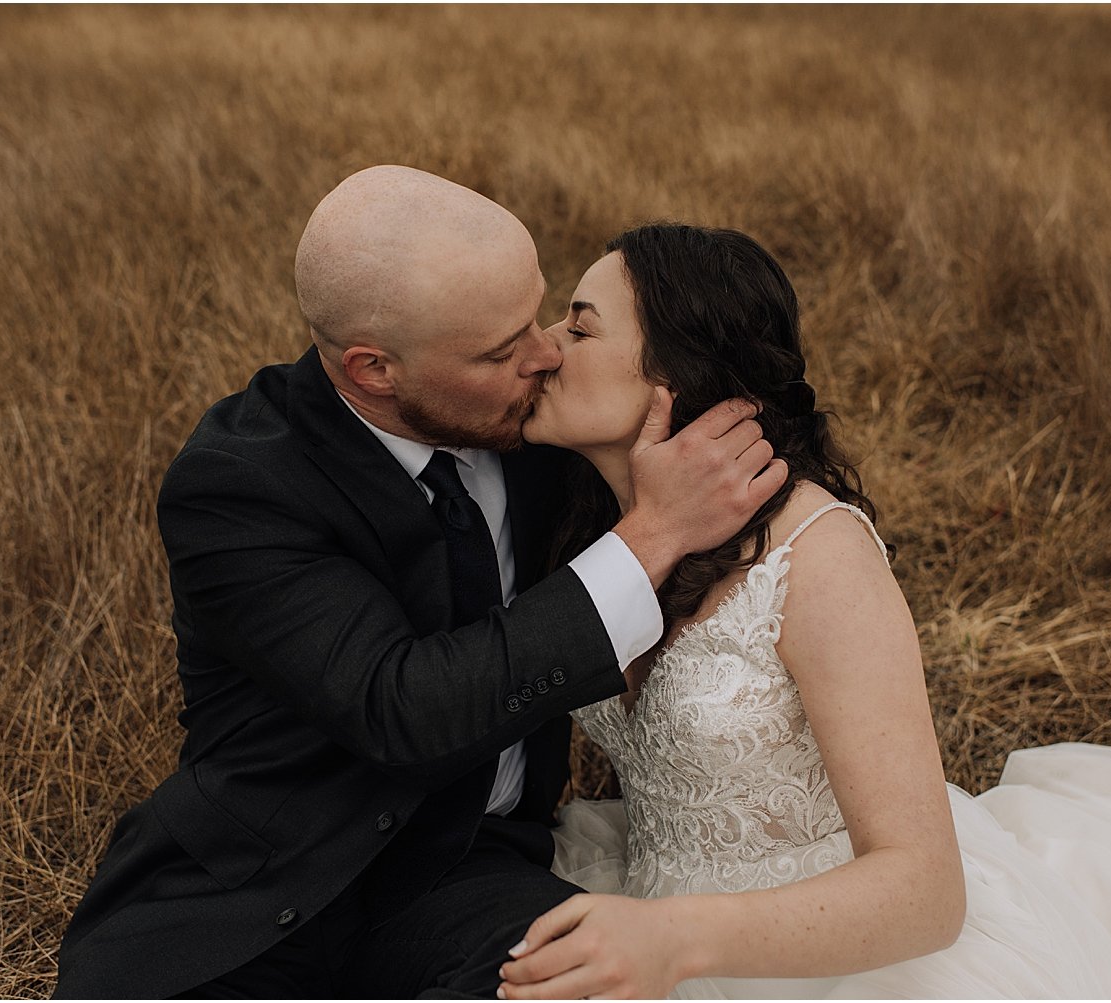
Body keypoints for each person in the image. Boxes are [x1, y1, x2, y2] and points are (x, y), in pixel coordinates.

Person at [501, 223, 1111, 1000]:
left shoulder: (815, 553)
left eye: (580, 324)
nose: (545, 346)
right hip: (646, 910)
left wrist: (679, 938)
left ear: (676, 370)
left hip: (852, 954)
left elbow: (925, 892)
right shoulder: (588, 534)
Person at [52, 172, 788, 998]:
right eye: (500, 351)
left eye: (537, 316)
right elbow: (403, 707)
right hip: (260, 880)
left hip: (472, 872)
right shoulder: (240, 480)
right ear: (375, 370)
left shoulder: (546, 427)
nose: (545, 356)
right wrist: (651, 534)